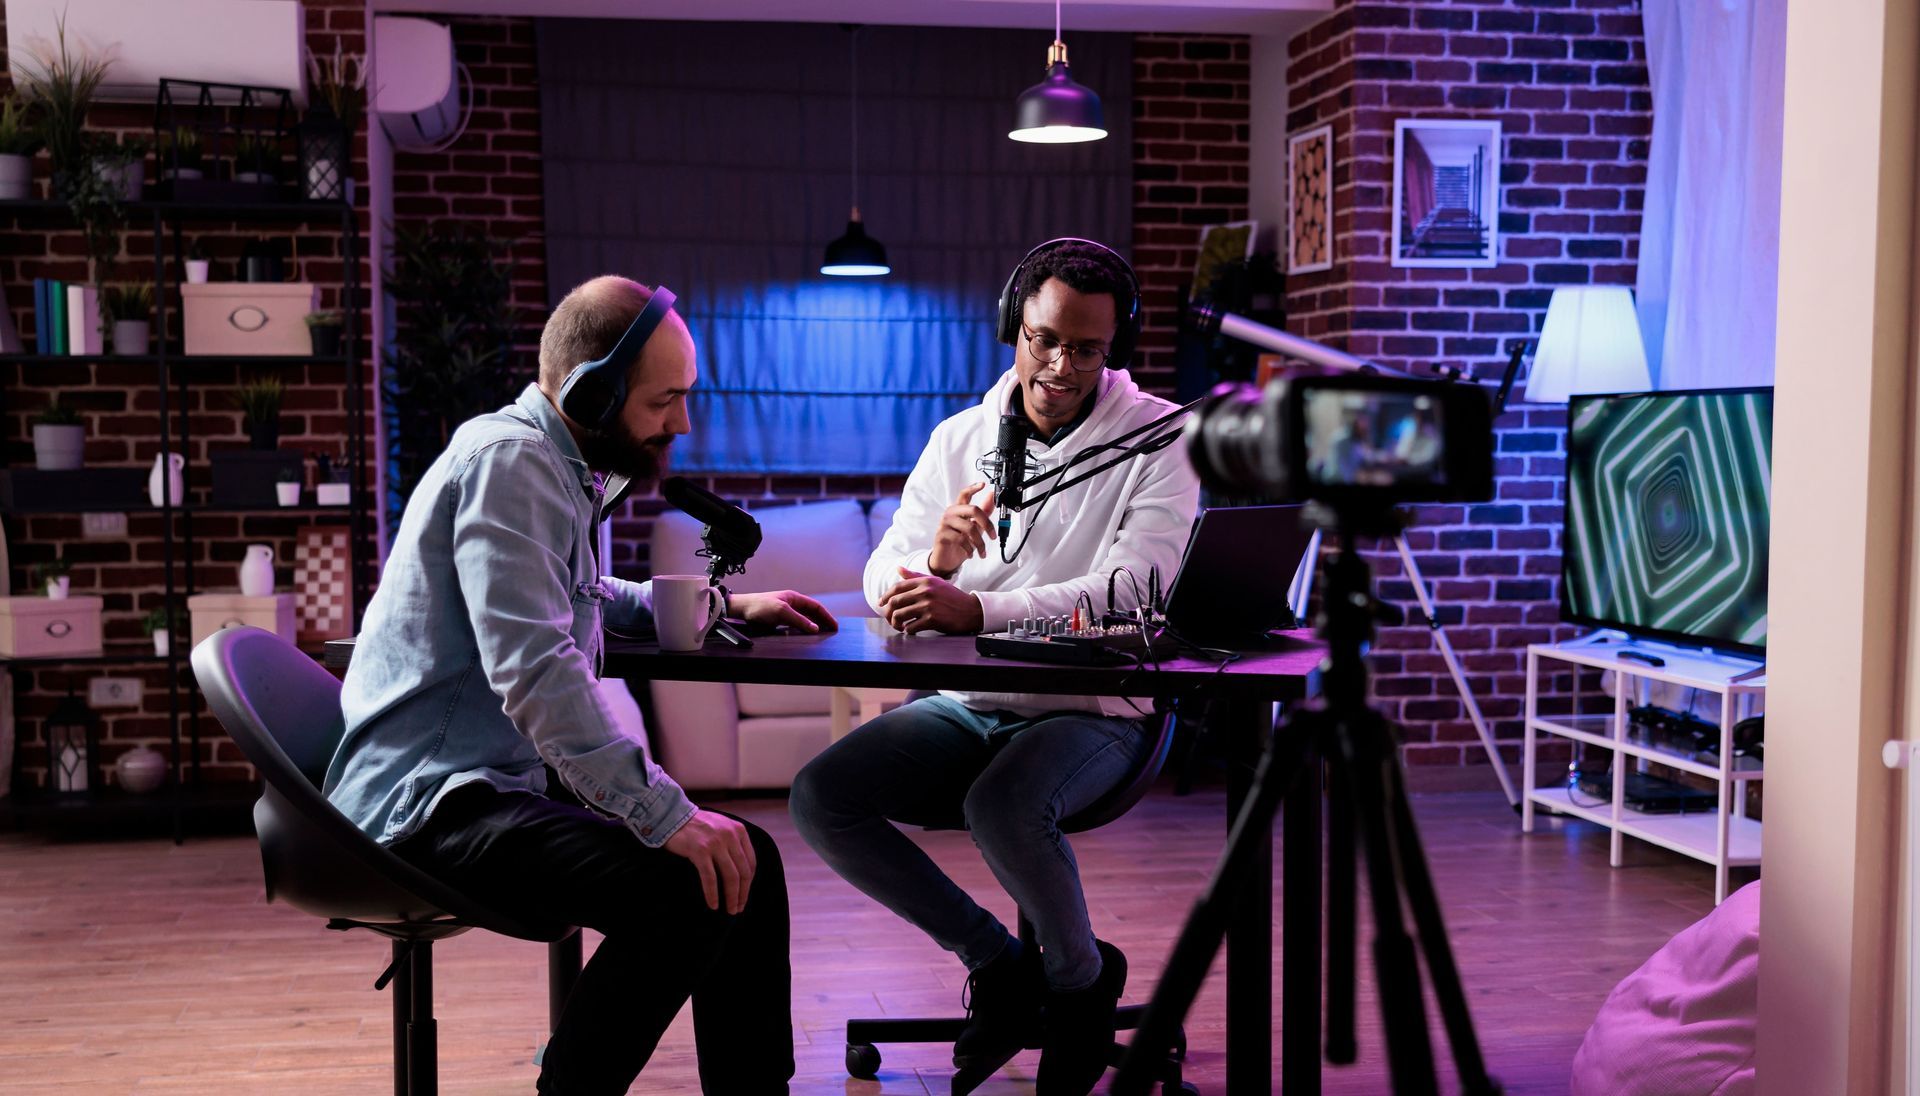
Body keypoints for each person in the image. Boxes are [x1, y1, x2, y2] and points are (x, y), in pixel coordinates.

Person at [324, 276, 836, 1096]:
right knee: (693, 885)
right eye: (665, 400)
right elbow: (534, 667)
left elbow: (578, 599)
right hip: (430, 804)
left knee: (747, 861)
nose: (682, 423)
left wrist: (726, 605)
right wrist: (666, 814)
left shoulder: (554, 465)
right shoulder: (513, 467)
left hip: (482, 785)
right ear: (593, 393)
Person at [788, 239, 1201, 1096]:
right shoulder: (960, 437)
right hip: (971, 702)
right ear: (1014, 325)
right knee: (823, 798)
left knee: (1004, 804)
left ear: (1114, 347)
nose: (1062, 364)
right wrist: (928, 567)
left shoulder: (1163, 438)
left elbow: (1137, 590)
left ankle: (1081, 989)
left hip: (1097, 710)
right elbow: (882, 574)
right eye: (1046, 338)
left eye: (1088, 348)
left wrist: (975, 608)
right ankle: (1002, 962)